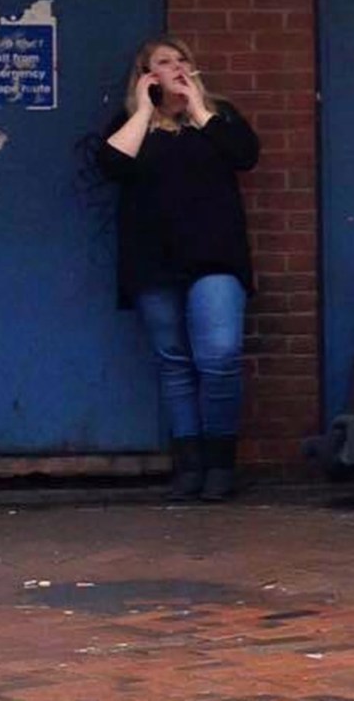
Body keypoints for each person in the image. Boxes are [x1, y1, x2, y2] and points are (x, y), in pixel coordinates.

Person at [98, 36, 260, 501]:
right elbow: (111, 163)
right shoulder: (131, 124)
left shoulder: (219, 117)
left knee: (219, 357)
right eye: (162, 63)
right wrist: (146, 110)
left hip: (215, 256)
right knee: (174, 362)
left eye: (182, 59)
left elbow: (244, 155)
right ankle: (189, 466)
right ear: (145, 75)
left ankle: (220, 464)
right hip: (153, 259)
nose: (175, 67)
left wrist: (197, 107)